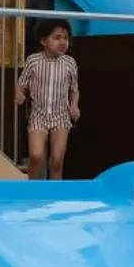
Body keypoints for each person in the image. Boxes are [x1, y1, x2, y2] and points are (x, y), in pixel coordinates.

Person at [15, 18, 80, 180]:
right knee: (36, 156)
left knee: (57, 160)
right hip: (39, 115)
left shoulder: (70, 63)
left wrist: (74, 106)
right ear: (44, 41)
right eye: (57, 38)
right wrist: (19, 95)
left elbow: (74, 89)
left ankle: (55, 195)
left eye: (65, 38)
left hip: (61, 117)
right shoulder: (33, 61)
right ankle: (33, 190)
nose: (63, 42)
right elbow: (21, 84)